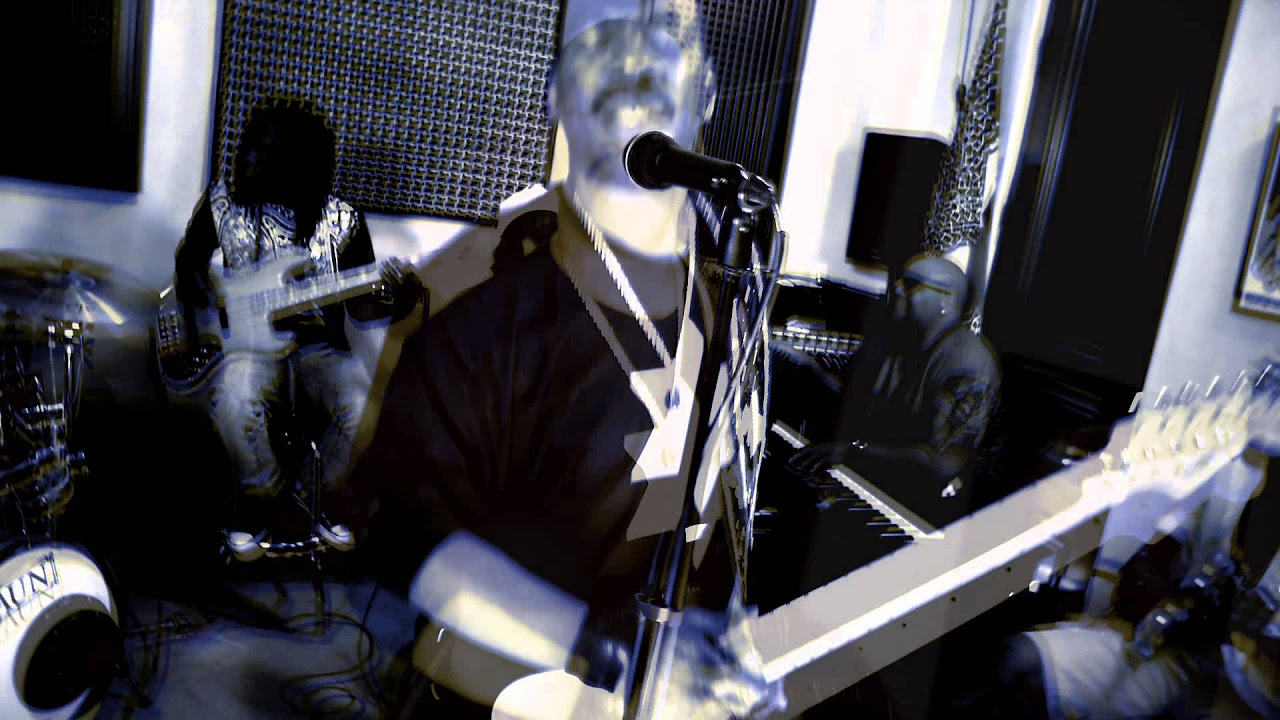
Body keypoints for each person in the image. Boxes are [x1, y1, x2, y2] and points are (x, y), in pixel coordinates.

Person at [350, 12, 783, 719]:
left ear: (706, 93)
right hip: (511, 691)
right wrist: (616, 653)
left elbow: (718, 498)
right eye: (605, 51)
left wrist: (728, 649)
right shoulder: (478, 303)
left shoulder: (731, 296)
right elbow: (416, 546)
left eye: (661, 50)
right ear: (557, 94)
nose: (633, 70)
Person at [173, 101, 422, 562]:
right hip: (247, 350)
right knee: (233, 401)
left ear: (298, 162)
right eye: (249, 146)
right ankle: (262, 496)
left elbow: (363, 308)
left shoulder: (343, 221)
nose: (247, 157)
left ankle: (311, 496)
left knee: (363, 409)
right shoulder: (222, 204)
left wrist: (400, 297)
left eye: (263, 150)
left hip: (317, 351)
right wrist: (209, 305)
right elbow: (188, 261)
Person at [788, 252, 1001, 523]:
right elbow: (851, 401)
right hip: (873, 488)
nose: (897, 289)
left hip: (927, 513)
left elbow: (941, 465)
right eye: (898, 280)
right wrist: (807, 369)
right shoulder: (890, 338)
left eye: (911, 284)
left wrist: (854, 452)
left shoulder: (967, 360)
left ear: (946, 301)